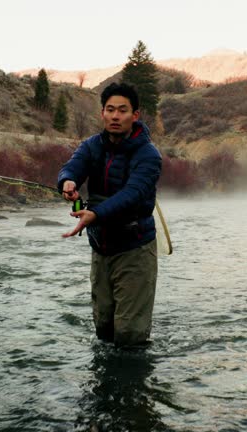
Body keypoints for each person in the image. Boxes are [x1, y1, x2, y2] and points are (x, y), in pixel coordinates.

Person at [57, 82, 162, 347]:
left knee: (130, 335)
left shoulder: (148, 154)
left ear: (135, 115)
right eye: (110, 109)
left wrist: (95, 214)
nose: (116, 116)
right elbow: (72, 167)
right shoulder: (92, 146)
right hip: (101, 246)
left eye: (123, 110)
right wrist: (67, 183)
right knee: (104, 330)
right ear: (102, 113)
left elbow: (133, 194)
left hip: (135, 248)